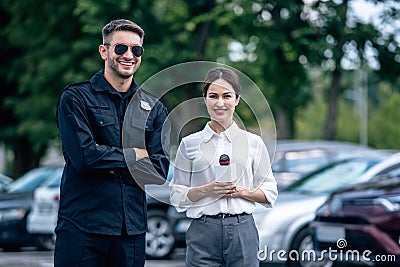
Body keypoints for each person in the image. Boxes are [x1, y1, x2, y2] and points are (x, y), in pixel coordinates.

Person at [55, 19, 170, 267]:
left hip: (132, 234)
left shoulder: (155, 109)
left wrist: (106, 159)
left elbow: (158, 171)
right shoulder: (75, 98)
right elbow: (84, 158)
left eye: (136, 50)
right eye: (121, 48)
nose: (129, 55)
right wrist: (136, 155)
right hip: (82, 229)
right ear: (104, 51)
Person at [170, 67, 278, 267]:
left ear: (236, 99)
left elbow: (270, 193)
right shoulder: (189, 143)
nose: (220, 102)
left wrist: (243, 192)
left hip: (242, 229)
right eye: (213, 96)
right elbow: (177, 196)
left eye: (226, 96)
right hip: (202, 231)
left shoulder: (253, 143)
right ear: (205, 100)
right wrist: (206, 190)